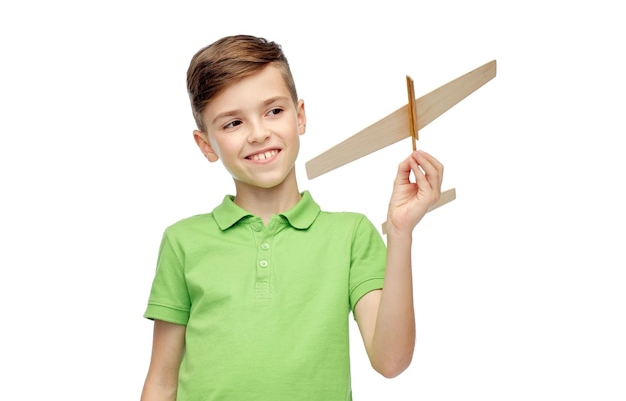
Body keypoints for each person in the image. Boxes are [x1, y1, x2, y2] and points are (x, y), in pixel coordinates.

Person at [140, 35, 444, 401]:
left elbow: (391, 361)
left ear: (300, 116)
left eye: (273, 111)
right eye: (233, 123)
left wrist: (399, 233)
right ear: (206, 144)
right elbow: (161, 382)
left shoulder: (349, 235)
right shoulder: (183, 241)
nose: (259, 133)